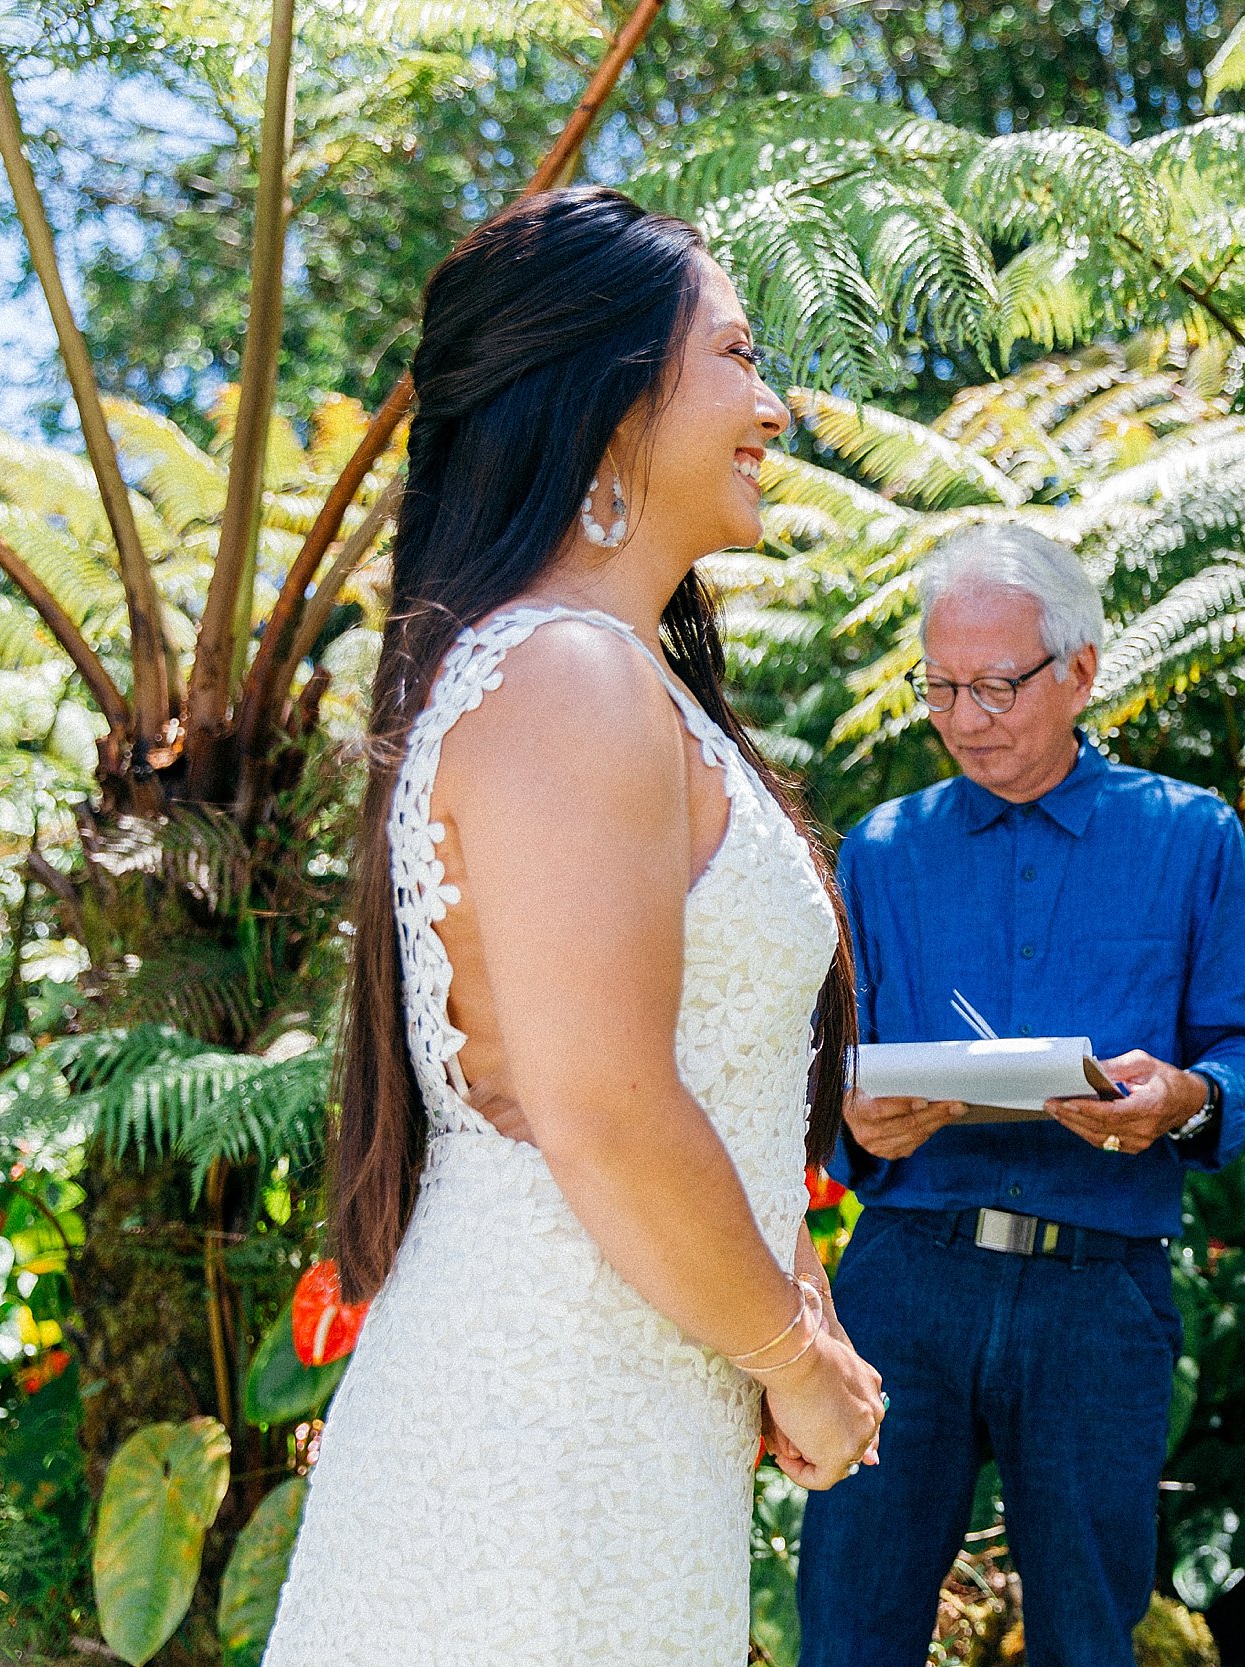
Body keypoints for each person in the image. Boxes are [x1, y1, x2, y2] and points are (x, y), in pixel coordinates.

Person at [265, 187, 885, 1667]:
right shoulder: (568, 678)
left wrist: (785, 1302)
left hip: (618, 1400)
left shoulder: (601, 675)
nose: (774, 405)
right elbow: (603, 1105)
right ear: (615, 401)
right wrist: (798, 1363)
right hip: (544, 1424)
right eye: (736, 355)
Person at [795, 525, 1245, 1667]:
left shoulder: (1188, 837)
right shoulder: (881, 851)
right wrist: (855, 1126)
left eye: (995, 685)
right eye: (942, 687)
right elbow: (827, 1077)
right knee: (850, 1620)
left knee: (1087, 1632)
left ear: (1079, 669)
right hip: (906, 1279)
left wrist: (1180, 1096)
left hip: (1097, 1293)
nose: (966, 717)